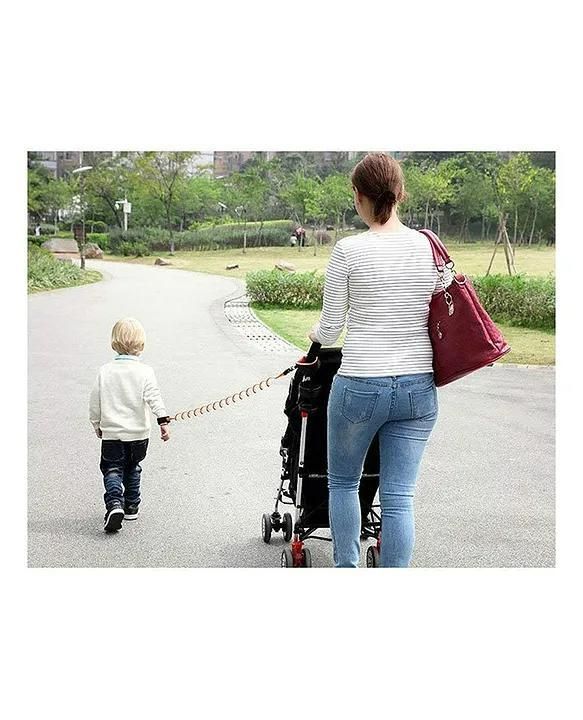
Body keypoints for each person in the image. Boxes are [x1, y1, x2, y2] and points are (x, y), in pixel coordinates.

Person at [309, 152, 453, 568]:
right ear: (400, 193)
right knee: (399, 497)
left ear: (358, 196)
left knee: (343, 484)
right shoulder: (428, 248)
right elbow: (442, 308)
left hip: (360, 383)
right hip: (417, 387)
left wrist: (313, 339)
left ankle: (346, 569)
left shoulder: (348, 250)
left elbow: (330, 328)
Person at [89, 317, 171, 532]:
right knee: (133, 467)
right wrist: (163, 421)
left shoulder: (105, 371)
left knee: (112, 469)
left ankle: (115, 504)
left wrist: (96, 423)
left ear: (114, 342)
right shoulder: (145, 371)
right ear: (141, 344)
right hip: (138, 435)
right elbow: (154, 397)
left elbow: (95, 401)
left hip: (112, 435)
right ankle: (132, 507)